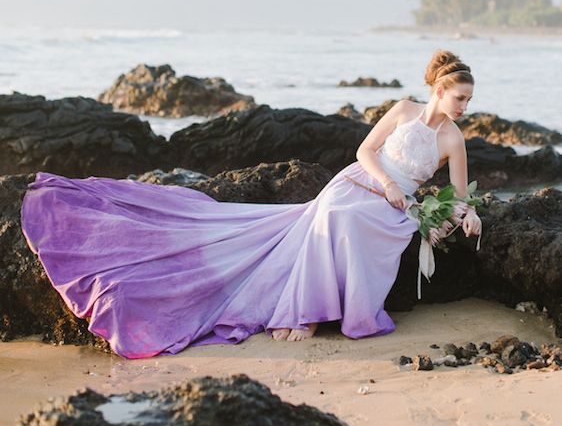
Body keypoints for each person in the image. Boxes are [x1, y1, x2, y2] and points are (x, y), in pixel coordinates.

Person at [21, 49, 482, 359]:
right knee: (333, 213)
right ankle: (309, 313)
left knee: (351, 225)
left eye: (469, 101)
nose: (464, 107)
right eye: (460, 97)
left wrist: (470, 212)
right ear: (439, 90)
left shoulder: (453, 140)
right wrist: (386, 182)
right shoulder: (402, 110)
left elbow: (460, 197)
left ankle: (333, 310)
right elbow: (364, 151)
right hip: (364, 182)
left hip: (396, 210)